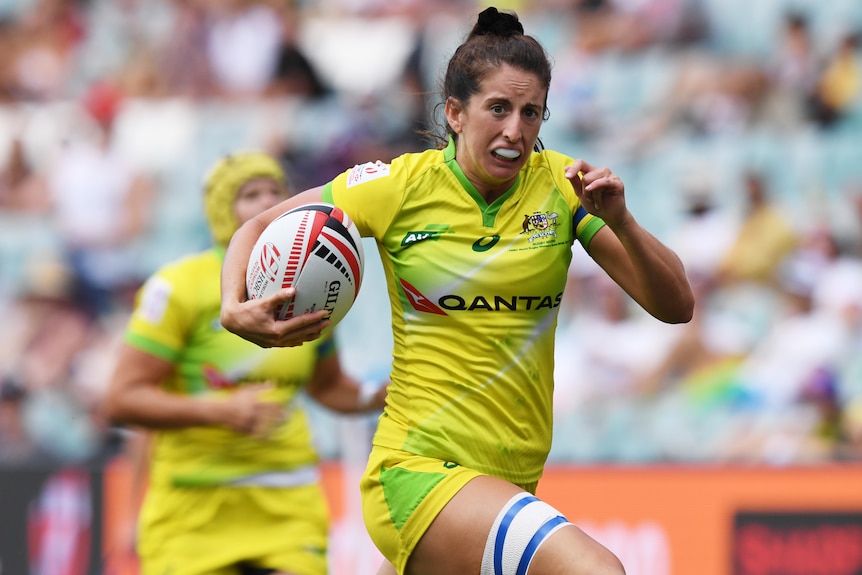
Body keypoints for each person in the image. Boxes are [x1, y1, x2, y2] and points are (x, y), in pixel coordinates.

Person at [219, 8, 694, 575]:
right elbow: (255, 229)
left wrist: (623, 222)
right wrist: (234, 308)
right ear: (455, 113)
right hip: (417, 470)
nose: (515, 131)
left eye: (531, 112)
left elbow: (676, 307)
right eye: (498, 109)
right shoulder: (398, 185)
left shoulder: (564, 190)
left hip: (509, 478)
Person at [102, 151, 387, 575]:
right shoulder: (179, 287)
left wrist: (382, 395)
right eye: (251, 194)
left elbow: (328, 387)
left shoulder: (314, 286)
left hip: (288, 504)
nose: (266, 203)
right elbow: (120, 401)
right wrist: (220, 410)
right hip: (193, 510)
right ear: (221, 210)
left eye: (276, 192)